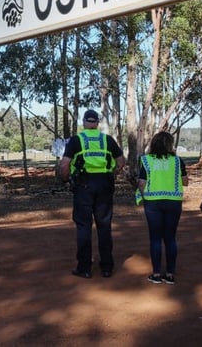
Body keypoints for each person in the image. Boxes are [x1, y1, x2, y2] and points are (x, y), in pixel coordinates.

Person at [57, 109, 126, 279]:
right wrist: (112, 174)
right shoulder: (107, 140)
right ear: (97, 123)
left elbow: (65, 165)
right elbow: (121, 161)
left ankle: (85, 268)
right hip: (104, 184)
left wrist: (65, 180)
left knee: (84, 226)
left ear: (84, 122)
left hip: (84, 185)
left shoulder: (76, 140)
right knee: (104, 226)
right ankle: (107, 268)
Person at [136, 130, 188, 284]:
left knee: (155, 238)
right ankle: (170, 274)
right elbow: (185, 182)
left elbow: (141, 183)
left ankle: (157, 273)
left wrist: (142, 193)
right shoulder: (178, 161)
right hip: (173, 201)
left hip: (153, 202)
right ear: (170, 145)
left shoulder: (146, 160)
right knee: (170, 238)